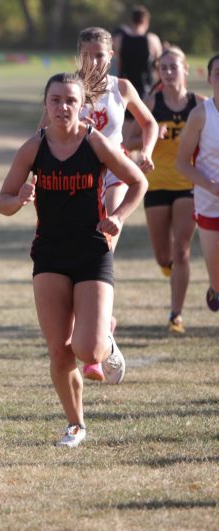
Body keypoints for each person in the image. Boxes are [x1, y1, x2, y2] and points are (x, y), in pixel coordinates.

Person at [0, 71, 148, 447]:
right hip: (49, 254)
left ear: (82, 107)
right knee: (59, 348)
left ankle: (107, 346)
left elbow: (138, 182)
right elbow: (3, 201)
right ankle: (76, 424)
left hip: (92, 252)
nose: (62, 107)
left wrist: (118, 217)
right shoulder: (33, 147)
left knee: (87, 349)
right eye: (55, 100)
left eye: (70, 101)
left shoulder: (94, 143)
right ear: (45, 105)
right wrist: (20, 199)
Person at [75, 27, 158, 381]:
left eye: (99, 55)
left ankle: (95, 348)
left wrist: (147, 153)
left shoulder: (121, 87)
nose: (93, 61)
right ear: (78, 54)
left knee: (101, 247)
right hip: (76, 178)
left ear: (111, 57)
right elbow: (43, 132)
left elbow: (149, 123)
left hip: (114, 171)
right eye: (87, 54)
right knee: (78, 257)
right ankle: (102, 324)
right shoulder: (69, 89)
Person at [127, 47, 205, 333]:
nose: (169, 72)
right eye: (163, 68)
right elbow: (130, 140)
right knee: (163, 256)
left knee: (181, 250)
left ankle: (176, 315)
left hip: (188, 185)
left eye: (174, 67)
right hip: (156, 183)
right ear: (158, 72)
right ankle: (172, 273)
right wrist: (152, 135)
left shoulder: (200, 105)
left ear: (185, 70)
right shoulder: (151, 102)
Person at [176, 54, 219, 313]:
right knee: (217, 278)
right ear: (209, 77)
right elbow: (181, 163)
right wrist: (209, 184)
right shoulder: (201, 115)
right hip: (209, 203)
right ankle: (215, 286)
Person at [112, 5, 163, 136]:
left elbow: (118, 67)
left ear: (131, 21)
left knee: (126, 133)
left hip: (125, 89)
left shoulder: (119, 40)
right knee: (145, 129)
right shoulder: (152, 40)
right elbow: (160, 67)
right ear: (146, 22)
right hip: (145, 90)